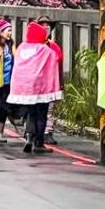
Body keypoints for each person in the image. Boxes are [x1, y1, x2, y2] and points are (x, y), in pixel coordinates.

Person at [8, 22, 63, 154]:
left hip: (26, 89)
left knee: (31, 114)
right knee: (41, 114)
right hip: (41, 88)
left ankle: (29, 137)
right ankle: (39, 142)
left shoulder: (22, 47)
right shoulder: (44, 50)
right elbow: (57, 58)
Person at [37, 15, 64, 146]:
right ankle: (33, 131)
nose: (45, 28)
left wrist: (61, 84)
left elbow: (59, 66)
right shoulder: (32, 46)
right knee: (36, 109)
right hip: (37, 83)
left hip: (52, 82)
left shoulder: (55, 47)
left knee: (49, 109)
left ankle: (48, 132)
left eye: (48, 25)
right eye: (42, 25)